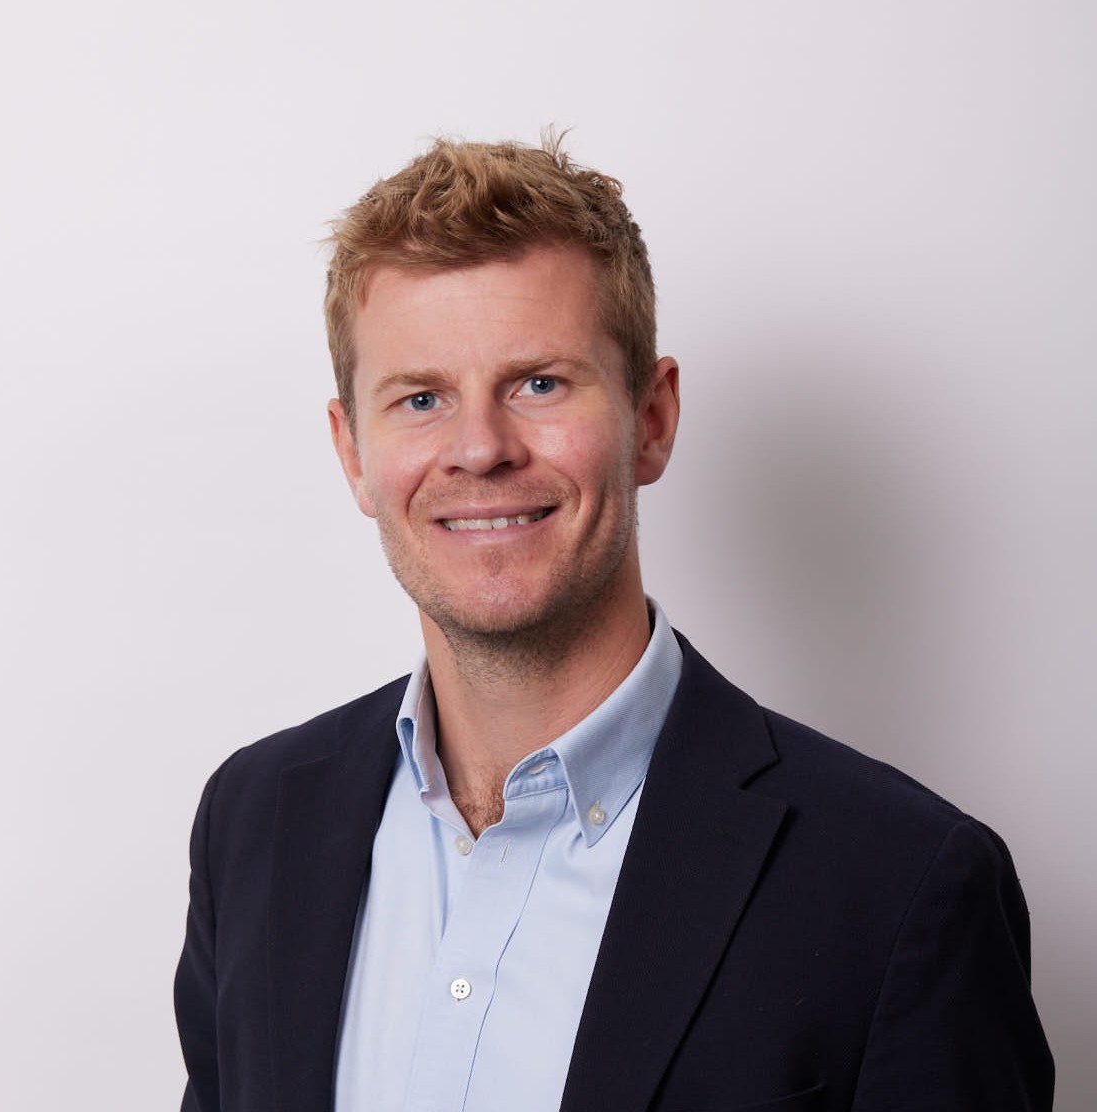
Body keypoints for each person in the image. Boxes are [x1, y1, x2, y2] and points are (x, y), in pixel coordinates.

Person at [174, 137, 1053, 1112]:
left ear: (654, 417)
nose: (479, 448)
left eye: (539, 383)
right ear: (354, 453)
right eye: (420, 398)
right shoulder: (255, 824)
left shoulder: (899, 887)